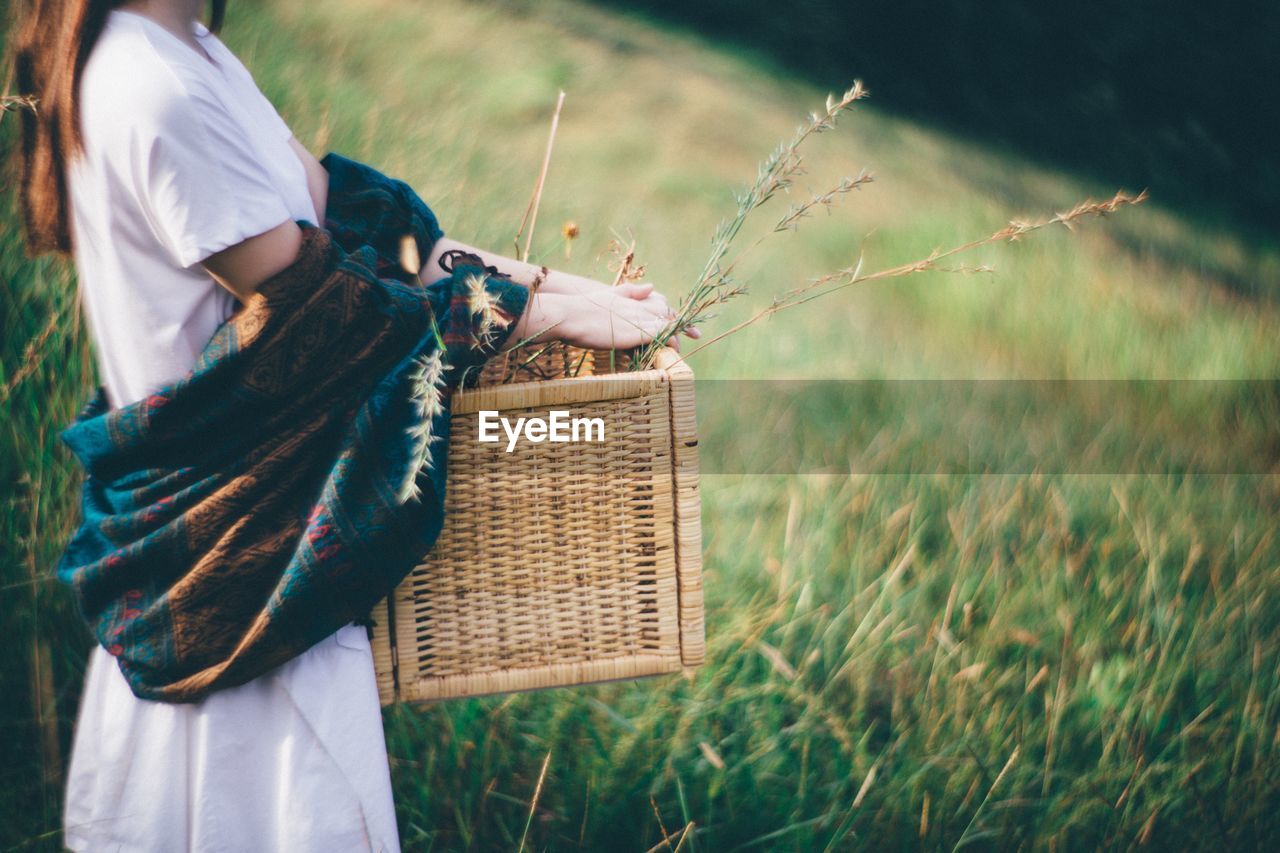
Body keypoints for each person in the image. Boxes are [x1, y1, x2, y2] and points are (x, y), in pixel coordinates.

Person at [13, 0, 697, 848]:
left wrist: (577, 295)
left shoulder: (186, 53)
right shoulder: (152, 88)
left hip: (268, 523)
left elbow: (385, 240)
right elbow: (334, 318)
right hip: (237, 553)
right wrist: (529, 317)